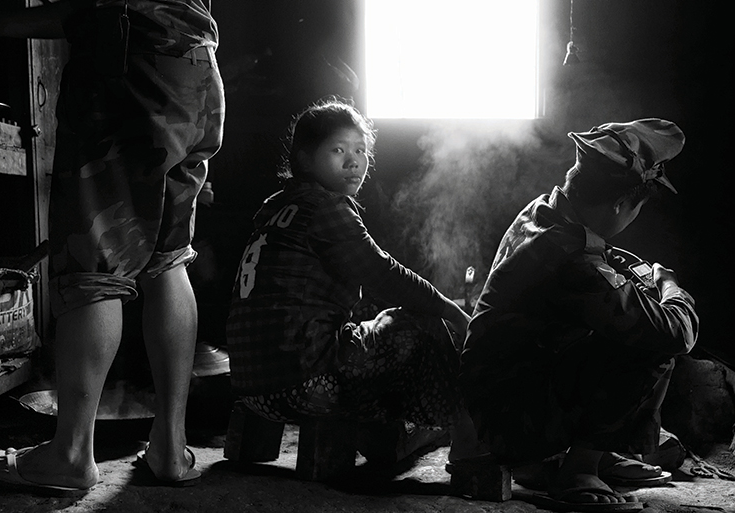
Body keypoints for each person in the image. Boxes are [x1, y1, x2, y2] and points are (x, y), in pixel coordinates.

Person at [0, 0, 224, 492]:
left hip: (128, 69)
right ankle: (170, 449)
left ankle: (70, 455)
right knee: (168, 260)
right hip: (195, 70)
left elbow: (98, 7)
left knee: (95, 265)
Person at [458, 119, 699, 510]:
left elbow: (590, 262)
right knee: (651, 344)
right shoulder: (568, 258)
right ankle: (578, 470)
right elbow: (676, 333)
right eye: (636, 208)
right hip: (507, 420)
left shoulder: (545, 211)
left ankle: (599, 453)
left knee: (623, 324)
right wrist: (670, 287)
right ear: (621, 204)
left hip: (496, 392)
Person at [225, 99, 479, 465]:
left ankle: (402, 426)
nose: (353, 161)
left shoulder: (275, 206)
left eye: (360, 150)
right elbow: (387, 275)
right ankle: (466, 439)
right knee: (419, 322)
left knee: (366, 322)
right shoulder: (326, 207)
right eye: (338, 150)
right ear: (304, 159)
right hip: (305, 387)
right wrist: (454, 312)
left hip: (251, 387)